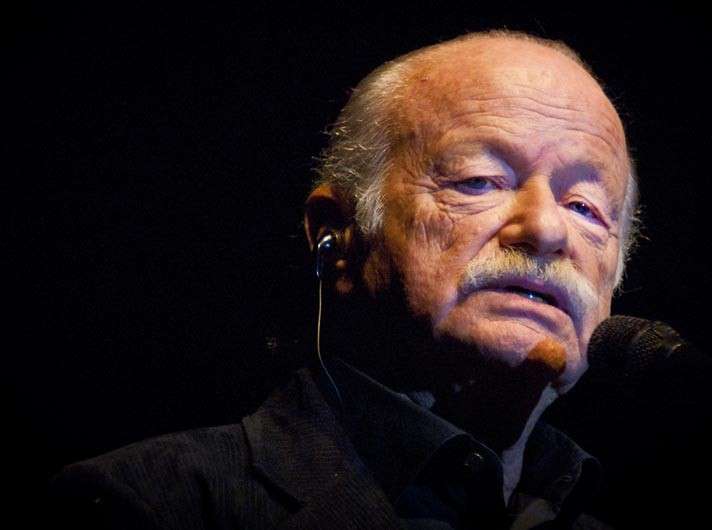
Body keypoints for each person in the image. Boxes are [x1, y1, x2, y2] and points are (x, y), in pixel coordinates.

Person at [51, 29, 638, 529]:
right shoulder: (150, 505)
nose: (546, 228)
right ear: (338, 236)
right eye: (479, 180)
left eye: (585, 207)